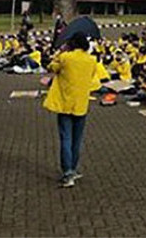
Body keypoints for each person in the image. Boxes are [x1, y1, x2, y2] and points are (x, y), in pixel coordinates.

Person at [43, 32, 99, 188]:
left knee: (66, 138)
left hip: (65, 102)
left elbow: (51, 67)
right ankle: (73, 168)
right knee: (77, 139)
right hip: (81, 103)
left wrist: (60, 52)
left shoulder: (65, 57)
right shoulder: (91, 60)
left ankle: (67, 172)